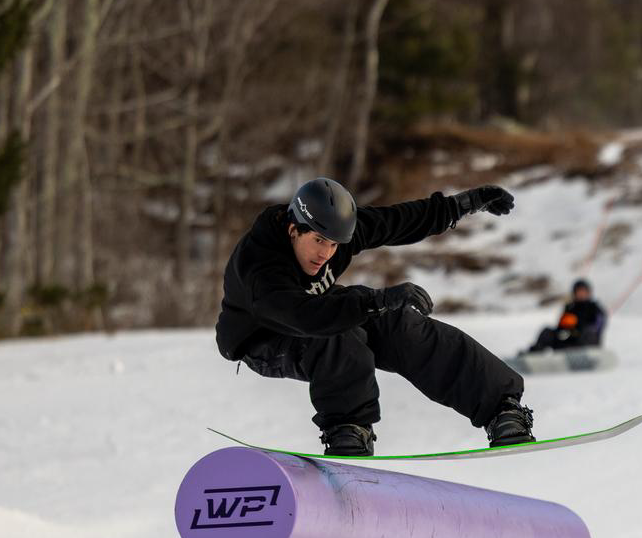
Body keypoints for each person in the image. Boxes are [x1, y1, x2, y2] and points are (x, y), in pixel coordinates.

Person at [215, 177, 534, 457]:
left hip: (318, 311)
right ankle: (348, 429)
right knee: (340, 332)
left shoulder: (335, 235)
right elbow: (304, 316)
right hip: (264, 339)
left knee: (400, 324)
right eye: (319, 241)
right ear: (293, 230)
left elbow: (399, 221)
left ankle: (501, 408)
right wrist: (376, 300)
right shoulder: (260, 266)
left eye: (334, 245)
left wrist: (463, 204)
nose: (326, 254)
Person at [527, 279, 608, 352]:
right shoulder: (570, 307)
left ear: (588, 293)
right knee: (547, 332)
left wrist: (581, 329)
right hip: (568, 339)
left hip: (585, 342)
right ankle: (534, 355)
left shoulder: (595, 308)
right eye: (579, 291)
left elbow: (598, 327)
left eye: (583, 291)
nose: (581, 294)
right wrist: (564, 331)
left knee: (588, 332)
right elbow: (561, 326)